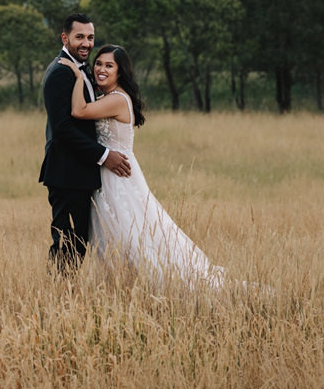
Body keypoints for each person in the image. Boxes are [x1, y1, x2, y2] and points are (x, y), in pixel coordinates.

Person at [59, 43, 225, 290]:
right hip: (107, 173)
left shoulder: (116, 99)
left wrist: (77, 77)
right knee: (116, 234)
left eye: (109, 65)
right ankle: (120, 287)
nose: (101, 69)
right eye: (99, 63)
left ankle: (154, 286)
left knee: (130, 234)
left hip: (118, 176)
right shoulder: (108, 97)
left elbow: (78, 110)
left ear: (120, 72)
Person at [39, 15, 132, 271]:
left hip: (81, 174)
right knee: (68, 243)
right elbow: (62, 129)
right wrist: (104, 155)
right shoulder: (61, 72)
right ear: (65, 38)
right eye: (79, 37)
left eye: (90, 37)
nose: (86, 43)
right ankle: (59, 298)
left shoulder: (83, 70)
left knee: (78, 242)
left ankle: (64, 296)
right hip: (67, 173)